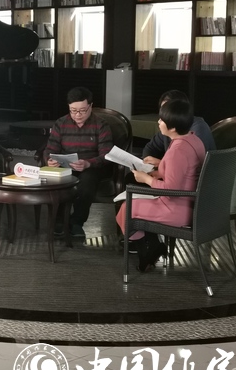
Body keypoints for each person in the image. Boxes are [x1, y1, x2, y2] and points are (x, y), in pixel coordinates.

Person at [117, 99, 206, 272]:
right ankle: (152, 246)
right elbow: (184, 174)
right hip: (192, 204)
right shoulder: (193, 139)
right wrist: (159, 171)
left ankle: (148, 250)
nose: (158, 122)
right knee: (135, 205)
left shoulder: (178, 150)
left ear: (172, 127)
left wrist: (146, 179)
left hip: (176, 209)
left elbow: (170, 190)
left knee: (126, 208)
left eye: (162, 120)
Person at [43, 87, 113, 240]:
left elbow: (106, 155)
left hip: (92, 167)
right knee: (57, 180)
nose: (77, 115)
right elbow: (50, 149)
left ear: (91, 106)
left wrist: (88, 163)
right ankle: (59, 221)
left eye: (82, 110)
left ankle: (76, 222)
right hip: (66, 165)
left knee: (86, 182)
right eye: (73, 111)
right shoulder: (61, 123)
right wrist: (50, 160)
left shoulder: (101, 125)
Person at [142, 90, 214, 168]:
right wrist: (148, 163)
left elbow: (188, 166)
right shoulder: (168, 128)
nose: (162, 116)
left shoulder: (198, 129)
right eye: (162, 110)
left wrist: (161, 164)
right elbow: (150, 148)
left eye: (168, 110)